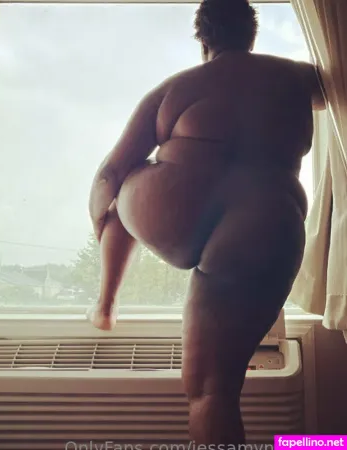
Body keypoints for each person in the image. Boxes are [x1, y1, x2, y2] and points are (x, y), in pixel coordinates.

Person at [86, 0, 326, 445]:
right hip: (267, 222)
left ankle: (105, 304)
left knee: (117, 197)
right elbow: (331, 87)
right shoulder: (299, 77)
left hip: (178, 212)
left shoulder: (177, 88)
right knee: (217, 391)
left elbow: (108, 177)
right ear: (252, 35)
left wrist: (102, 225)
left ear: (203, 39)